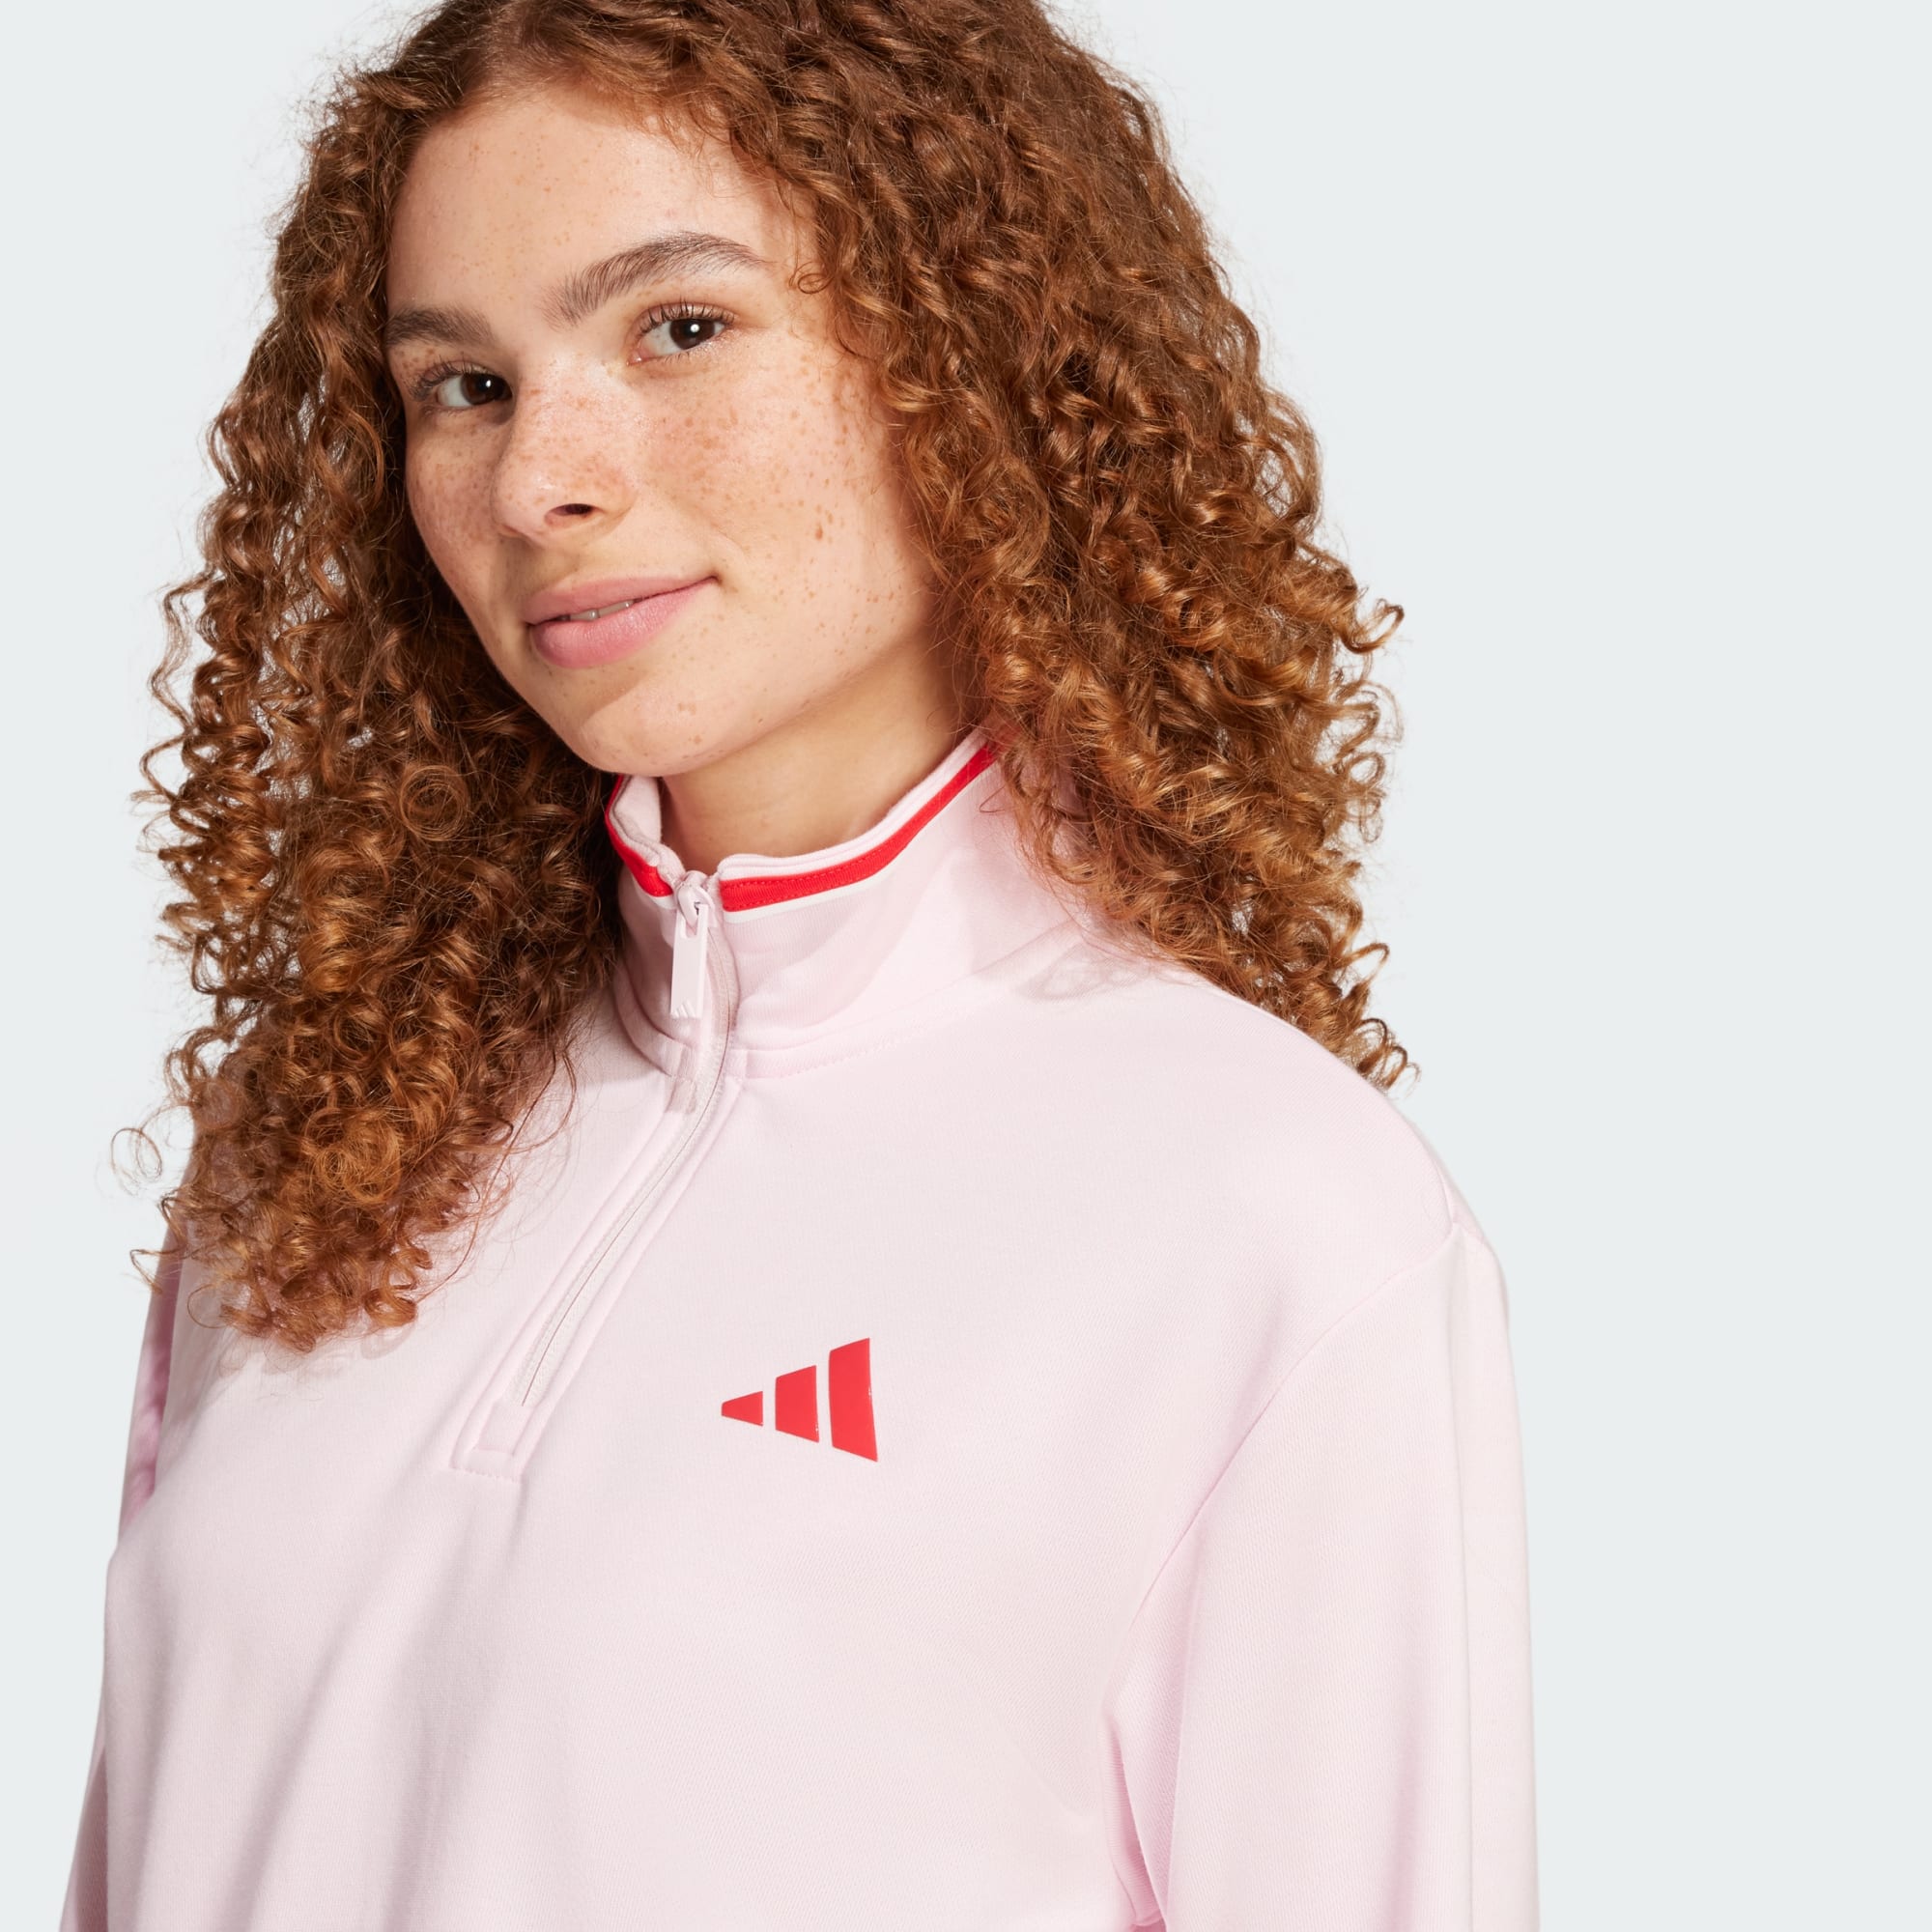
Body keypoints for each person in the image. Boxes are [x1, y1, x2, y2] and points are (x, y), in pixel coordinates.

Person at [61, 1, 1539, 1926]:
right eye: (464, 384)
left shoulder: (1263, 1218)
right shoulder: (321, 1144)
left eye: (680, 327)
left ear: (967, 354)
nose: (540, 481)